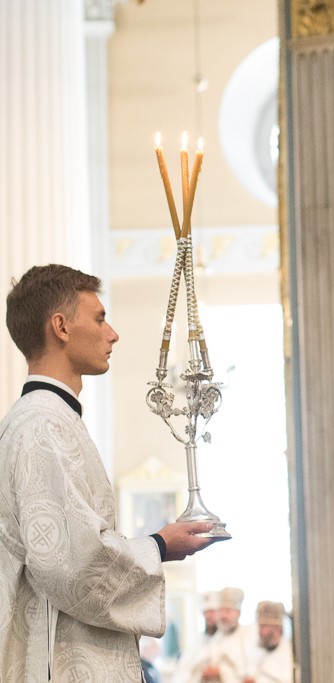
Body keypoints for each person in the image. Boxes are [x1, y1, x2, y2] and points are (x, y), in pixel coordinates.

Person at [0, 264, 217, 680]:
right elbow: (70, 563)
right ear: (61, 327)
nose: (112, 333)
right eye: (99, 318)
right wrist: (159, 546)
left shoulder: (49, 419)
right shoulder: (41, 425)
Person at [171, 591, 221, 683]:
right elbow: (182, 671)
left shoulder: (228, 640)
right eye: (205, 612)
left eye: (212, 612)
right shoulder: (197, 642)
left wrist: (219, 672)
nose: (208, 616)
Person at [242, 601, 292, 683]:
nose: (260, 631)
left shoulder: (289, 652)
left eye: (264, 626)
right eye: (260, 626)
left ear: (277, 628)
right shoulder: (258, 648)